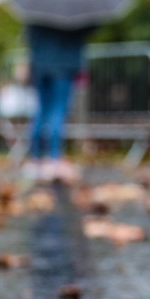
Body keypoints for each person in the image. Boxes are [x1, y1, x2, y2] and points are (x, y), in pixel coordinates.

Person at [23, 23, 94, 182]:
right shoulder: (71, 16)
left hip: (40, 66)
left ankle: (35, 159)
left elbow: (29, 37)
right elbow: (84, 33)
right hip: (64, 66)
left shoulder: (36, 13)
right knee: (59, 111)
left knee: (41, 110)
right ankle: (53, 159)